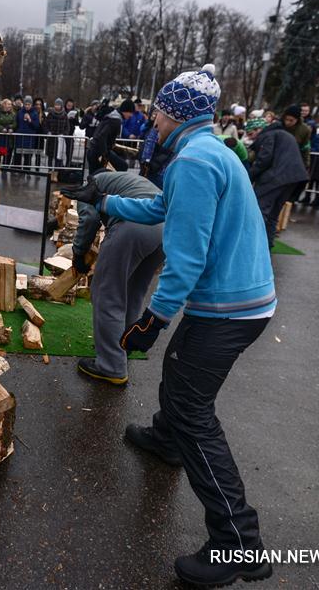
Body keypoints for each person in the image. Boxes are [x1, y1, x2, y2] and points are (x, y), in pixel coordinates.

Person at [63, 64, 275, 587]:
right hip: (240, 303)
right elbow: (160, 206)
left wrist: (154, 320)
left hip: (227, 308)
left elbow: (187, 257)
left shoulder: (195, 162)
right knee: (180, 386)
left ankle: (237, 543)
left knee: (192, 408)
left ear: (176, 112)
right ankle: (166, 438)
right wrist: (105, 199)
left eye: (158, 110)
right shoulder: (211, 151)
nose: (151, 118)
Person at [69, 170, 164, 386]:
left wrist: (78, 253)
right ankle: (124, 343)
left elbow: (89, 217)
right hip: (164, 230)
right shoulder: (122, 179)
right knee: (133, 290)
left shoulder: (89, 187)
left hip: (133, 226)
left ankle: (111, 367)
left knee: (106, 294)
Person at [246, 118, 308, 248]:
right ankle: (267, 243)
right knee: (273, 213)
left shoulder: (268, 135)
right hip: (293, 178)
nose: (250, 137)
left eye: (251, 133)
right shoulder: (282, 134)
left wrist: (248, 177)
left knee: (259, 210)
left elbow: (264, 159)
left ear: (258, 130)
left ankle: (253, 244)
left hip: (276, 177)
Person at [86, 98, 135, 172]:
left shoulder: (112, 117)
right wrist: (105, 154)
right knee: (122, 166)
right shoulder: (115, 120)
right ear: (125, 110)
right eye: (130, 112)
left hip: (95, 150)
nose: (131, 115)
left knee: (96, 175)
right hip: (98, 152)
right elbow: (102, 136)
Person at [15, 95, 40, 169]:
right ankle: (17, 170)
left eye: (29, 104)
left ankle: (27, 170)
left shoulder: (35, 113)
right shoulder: (20, 112)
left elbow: (36, 126)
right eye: (26, 104)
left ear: (31, 105)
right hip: (20, 137)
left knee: (27, 156)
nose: (27, 106)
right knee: (18, 155)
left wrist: (30, 120)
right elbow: (16, 123)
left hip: (29, 138)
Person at [43, 98, 70, 166]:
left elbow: (67, 127)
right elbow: (46, 125)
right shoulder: (50, 114)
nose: (57, 106)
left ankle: (56, 173)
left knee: (58, 157)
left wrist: (64, 134)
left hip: (60, 140)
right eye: (56, 105)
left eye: (58, 105)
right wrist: (48, 132)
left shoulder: (64, 115)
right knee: (50, 157)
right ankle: (49, 173)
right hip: (51, 139)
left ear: (61, 106)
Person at [0, 98, 16, 162]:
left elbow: (15, 123)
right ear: (4, 105)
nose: (10, 106)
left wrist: (10, 128)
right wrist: (2, 129)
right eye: (8, 104)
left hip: (9, 138)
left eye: (10, 104)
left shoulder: (13, 114)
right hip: (0, 137)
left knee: (8, 154)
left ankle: (6, 169)